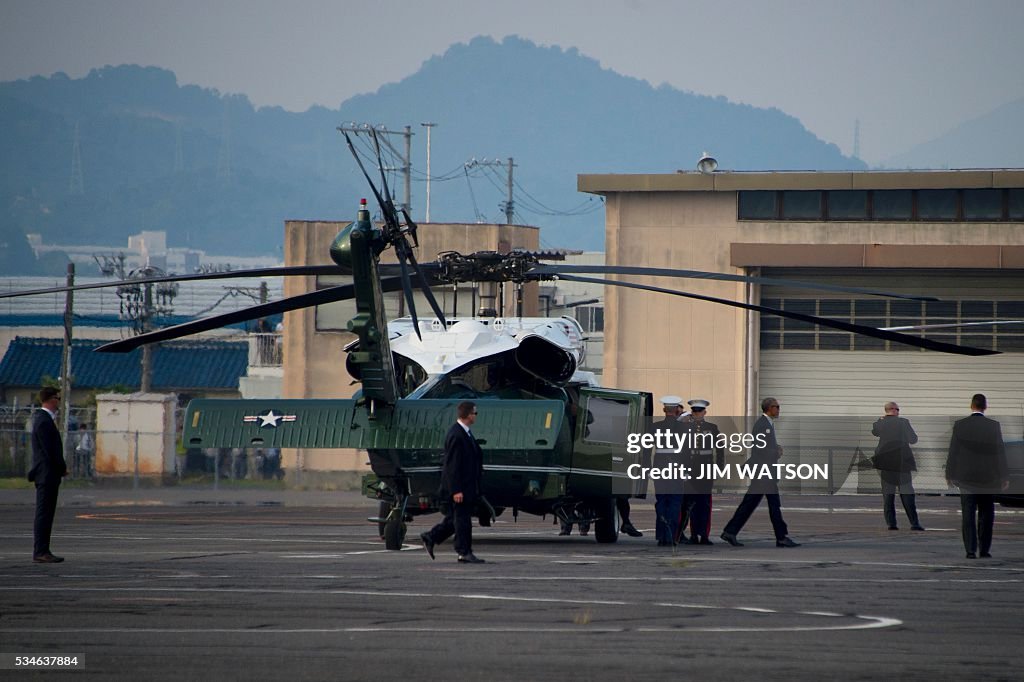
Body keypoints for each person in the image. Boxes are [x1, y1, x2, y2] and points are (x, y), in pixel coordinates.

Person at [720, 397, 800, 548]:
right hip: (764, 473)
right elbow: (761, 449)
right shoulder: (763, 424)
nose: (779, 409)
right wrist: (776, 451)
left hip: (764, 473)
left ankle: (730, 532)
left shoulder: (767, 424)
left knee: (750, 504)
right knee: (773, 505)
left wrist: (775, 447)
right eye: (777, 406)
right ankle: (781, 537)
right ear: (769, 408)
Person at [421, 401, 486, 563]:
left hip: (467, 486)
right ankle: (464, 552)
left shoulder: (465, 433)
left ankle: (431, 536)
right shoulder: (457, 435)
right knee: (463, 520)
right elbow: (452, 466)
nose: (476, 416)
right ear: (468, 415)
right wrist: (456, 490)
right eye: (475, 413)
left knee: (455, 519)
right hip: (460, 488)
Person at [945, 393, 1008, 559]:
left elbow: (954, 451)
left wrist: (949, 474)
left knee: (968, 514)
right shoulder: (993, 426)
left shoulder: (960, 425)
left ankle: (970, 550)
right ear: (985, 407)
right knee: (986, 515)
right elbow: (999, 452)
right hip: (988, 478)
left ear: (971, 406)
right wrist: (1004, 476)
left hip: (966, 479)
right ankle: (985, 549)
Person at [28, 387, 68, 563]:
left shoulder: (44, 420)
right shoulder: (44, 421)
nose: (59, 402)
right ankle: (41, 551)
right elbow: (50, 450)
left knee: (46, 513)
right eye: (57, 399)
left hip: (49, 473)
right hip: (46, 474)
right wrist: (62, 467)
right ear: (51, 400)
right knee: (44, 513)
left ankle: (43, 549)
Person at [871, 401, 923, 531]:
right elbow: (913, 439)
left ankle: (891, 524)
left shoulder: (880, 424)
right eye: (898, 409)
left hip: (886, 464)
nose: (898, 412)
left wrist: (880, 419)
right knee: (907, 494)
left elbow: (875, 432)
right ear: (894, 410)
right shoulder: (903, 422)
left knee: (888, 495)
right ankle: (914, 523)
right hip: (902, 463)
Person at [681, 398, 724, 545]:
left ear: (704, 412)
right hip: (691, 467)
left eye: (699, 411)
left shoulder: (712, 428)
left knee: (705, 503)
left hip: (706, 468)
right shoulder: (685, 427)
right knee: (691, 502)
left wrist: (719, 467)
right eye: (694, 411)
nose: (696, 413)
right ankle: (693, 534)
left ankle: (704, 534)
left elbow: (720, 449)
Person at [653, 395, 686, 546]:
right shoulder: (684, 428)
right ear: (677, 410)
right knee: (674, 502)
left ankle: (661, 536)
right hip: (677, 466)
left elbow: (646, 450)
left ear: (664, 409)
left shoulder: (655, 427)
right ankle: (671, 535)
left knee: (661, 501)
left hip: (659, 465)